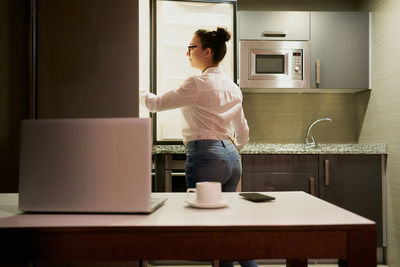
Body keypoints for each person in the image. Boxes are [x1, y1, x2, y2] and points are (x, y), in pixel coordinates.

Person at [140, 27, 257, 267]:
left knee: (211, 230)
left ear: (207, 52)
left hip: (207, 156)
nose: (187, 53)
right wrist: (230, 149)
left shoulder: (197, 83)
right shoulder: (233, 87)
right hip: (231, 157)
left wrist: (136, 86)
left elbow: (155, 104)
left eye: (192, 47)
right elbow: (243, 130)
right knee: (229, 225)